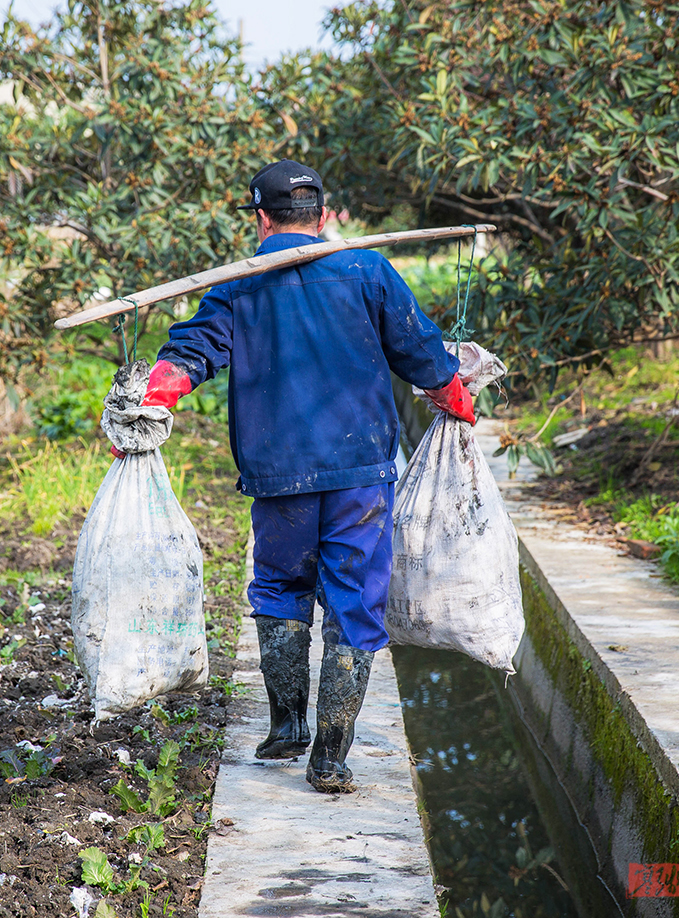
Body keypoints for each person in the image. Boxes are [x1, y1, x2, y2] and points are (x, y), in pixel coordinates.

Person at [136, 160, 475, 793]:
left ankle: (286, 726)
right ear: (321, 216)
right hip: (359, 474)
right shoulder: (368, 270)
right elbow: (421, 353)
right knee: (355, 600)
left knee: (280, 587)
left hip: (279, 474)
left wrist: (155, 397)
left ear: (261, 219)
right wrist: (455, 396)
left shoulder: (238, 284)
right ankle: (331, 757)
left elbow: (192, 353)